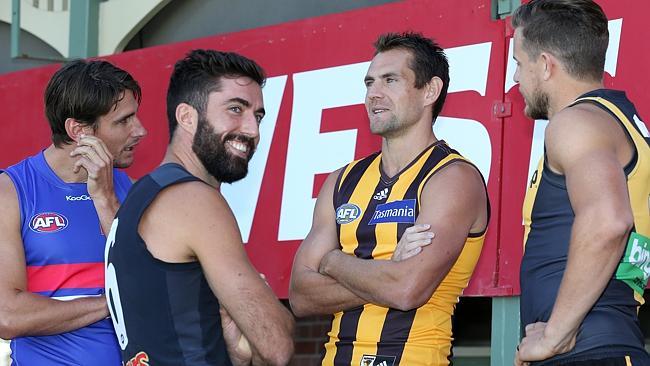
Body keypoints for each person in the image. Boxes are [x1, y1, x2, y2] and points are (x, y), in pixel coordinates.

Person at [289, 32, 490, 366]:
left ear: (430, 91)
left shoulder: (452, 177)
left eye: (390, 80)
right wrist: (388, 269)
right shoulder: (342, 181)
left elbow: (407, 290)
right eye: (369, 83)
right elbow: (300, 296)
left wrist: (334, 262)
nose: (373, 94)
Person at [104, 49, 294, 366]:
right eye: (236, 109)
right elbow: (276, 344)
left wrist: (233, 349)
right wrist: (272, 315)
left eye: (258, 116)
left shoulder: (140, 196)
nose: (253, 130)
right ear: (187, 117)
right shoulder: (194, 199)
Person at [513, 1, 650, 365]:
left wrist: (555, 335)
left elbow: (609, 222)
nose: (515, 78)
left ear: (545, 65)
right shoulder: (616, 120)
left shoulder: (576, 124)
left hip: (587, 349)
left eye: (518, 64)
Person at [0, 60, 147, 364]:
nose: (140, 130)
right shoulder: (11, 192)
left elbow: (151, 286)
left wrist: (105, 198)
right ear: (79, 130)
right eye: (124, 120)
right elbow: (8, 316)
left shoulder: (129, 189)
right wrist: (111, 303)